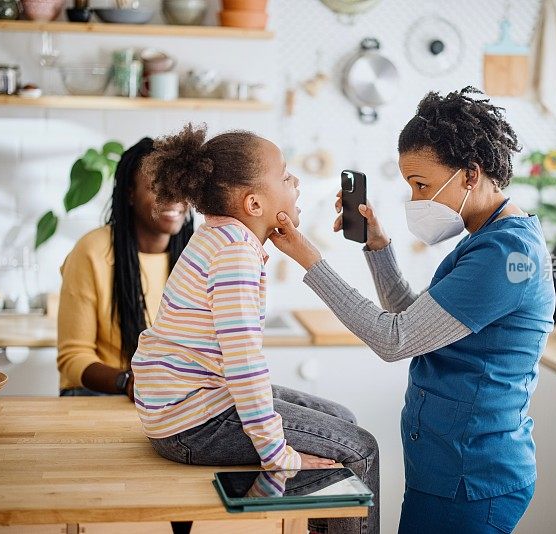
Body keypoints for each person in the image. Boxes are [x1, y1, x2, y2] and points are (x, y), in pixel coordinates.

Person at [269, 87, 556, 534]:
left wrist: (309, 258)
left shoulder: (505, 256)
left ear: (470, 174)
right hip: (445, 469)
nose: (415, 200)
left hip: (472, 476)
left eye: (421, 185)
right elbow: (414, 321)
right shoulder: (483, 240)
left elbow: (394, 339)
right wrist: (377, 247)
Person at [131, 124, 381, 534]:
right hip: (194, 423)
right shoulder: (235, 254)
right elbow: (244, 364)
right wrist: (277, 452)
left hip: (187, 409)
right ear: (253, 203)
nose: (296, 181)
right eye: (285, 175)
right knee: (360, 448)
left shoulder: (220, 236)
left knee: (343, 420)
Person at [57, 137, 194, 399]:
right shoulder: (93, 251)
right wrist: (129, 382)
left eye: (179, 185)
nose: (173, 197)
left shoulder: (197, 255)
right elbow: (73, 358)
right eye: (157, 186)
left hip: (174, 399)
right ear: (130, 193)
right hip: (102, 394)